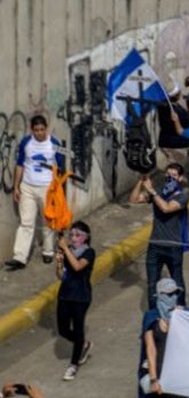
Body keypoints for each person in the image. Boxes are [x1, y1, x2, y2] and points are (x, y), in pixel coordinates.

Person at [5, 115, 66, 270]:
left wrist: (58, 191)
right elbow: (20, 164)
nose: (39, 133)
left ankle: (48, 251)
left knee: (48, 222)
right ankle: (19, 257)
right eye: (36, 130)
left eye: (42, 129)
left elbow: (60, 169)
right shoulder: (26, 142)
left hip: (47, 188)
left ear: (46, 128)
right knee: (26, 222)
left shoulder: (55, 144)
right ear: (32, 130)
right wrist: (16, 187)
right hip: (28, 187)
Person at [129, 163, 189, 309]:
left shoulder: (182, 195)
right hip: (155, 245)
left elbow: (166, 208)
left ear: (180, 178)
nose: (170, 178)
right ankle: (154, 314)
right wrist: (141, 181)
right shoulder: (160, 191)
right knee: (152, 284)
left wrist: (151, 191)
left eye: (174, 175)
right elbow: (134, 199)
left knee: (177, 282)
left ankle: (181, 313)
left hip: (173, 246)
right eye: (168, 174)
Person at [55, 221, 95, 381]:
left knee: (78, 329)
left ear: (85, 238)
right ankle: (83, 344)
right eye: (71, 235)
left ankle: (73, 364)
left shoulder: (89, 252)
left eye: (78, 235)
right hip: (64, 295)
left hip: (81, 297)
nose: (73, 238)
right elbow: (61, 276)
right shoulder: (67, 251)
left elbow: (78, 266)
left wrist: (65, 249)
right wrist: (59, 262)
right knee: (63, 329)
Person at [138, 278, 182, 398]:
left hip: (180, 375)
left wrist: (181, 318)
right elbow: (150, 350)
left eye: (176, 293)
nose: (173, 297)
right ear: (160, 295)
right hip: (160, 375)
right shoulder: (151, 317)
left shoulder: (183, 316)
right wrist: (153, 379)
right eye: (169, 294)